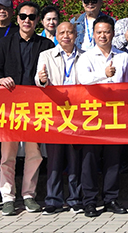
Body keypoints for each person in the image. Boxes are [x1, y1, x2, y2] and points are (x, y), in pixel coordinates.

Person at [0, 1, 53, 215]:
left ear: (37, 20)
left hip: (35, 107)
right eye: (23, 16)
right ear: (17, 18)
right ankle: (7, 197)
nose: (27, 20)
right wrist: (1, 79)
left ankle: (29, 195)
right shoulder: (4, 43)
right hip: (9, 107)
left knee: (33, 153)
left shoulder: (46, 44)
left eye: (32, 17)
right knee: (7, 154)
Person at [76, 15, 128, 217]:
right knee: (89, 158)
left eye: (106, 31)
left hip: (115, 114)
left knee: (113, 158)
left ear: (113, 33)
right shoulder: (87, 57)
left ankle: (111, 198)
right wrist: (104, 75)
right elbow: (84, 80)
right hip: (92, 115)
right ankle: (89, 201)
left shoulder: (123, 56)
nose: (102, 35)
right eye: (98, 32)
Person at [36, 21, 84, 213]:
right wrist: (42, 79)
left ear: (76, 35)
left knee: (75, 159)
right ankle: (53, 199)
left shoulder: (85, 56)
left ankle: (75, 199)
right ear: (56, 35)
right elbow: (38, 81)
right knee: (54, 159)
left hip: (78, 114)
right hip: (55, 114)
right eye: (62, 32)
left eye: (70, 32)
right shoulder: (46, 55)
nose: (66, 36)